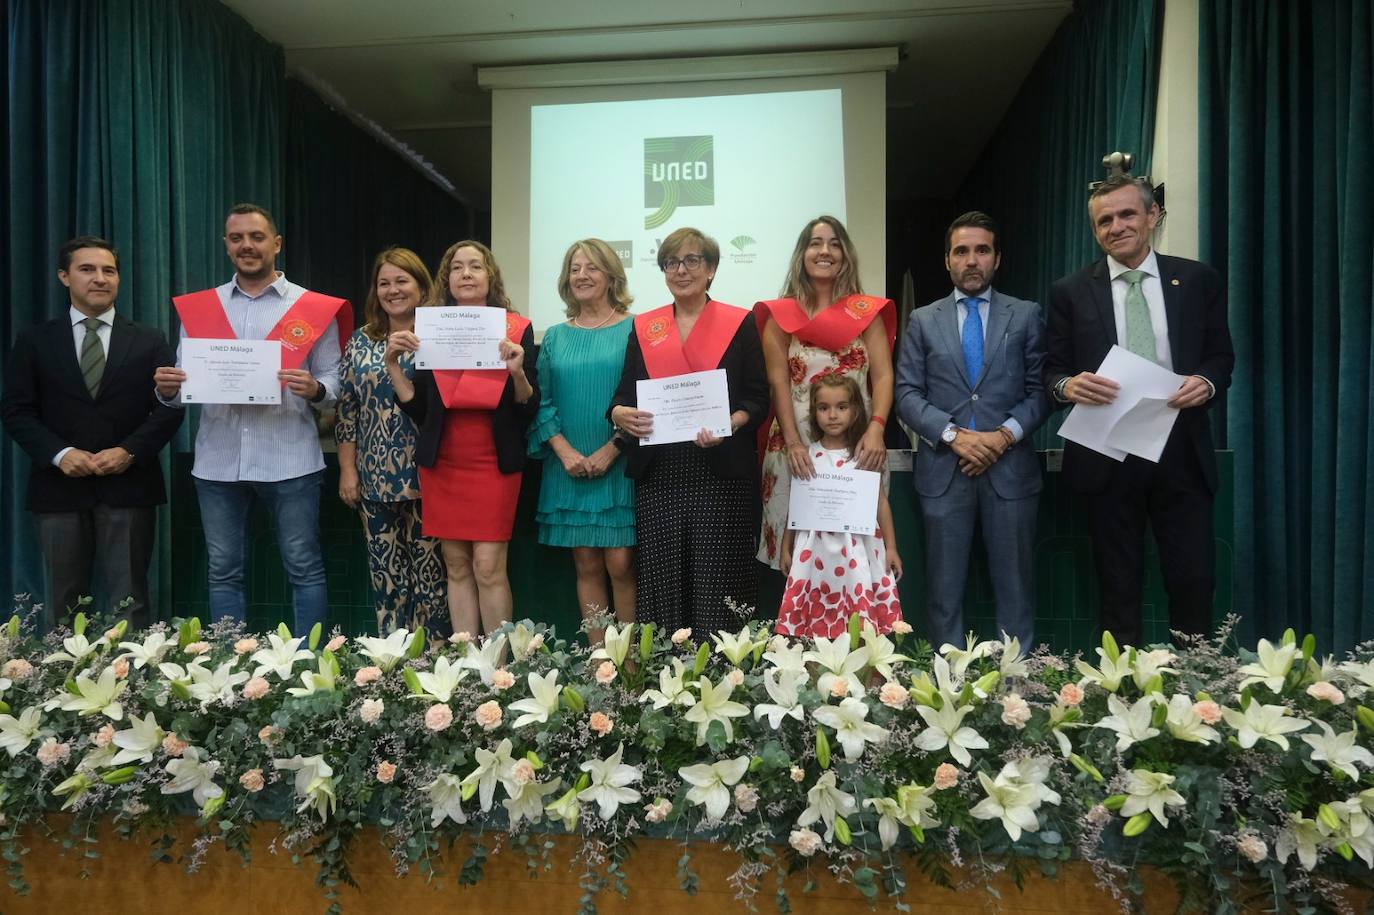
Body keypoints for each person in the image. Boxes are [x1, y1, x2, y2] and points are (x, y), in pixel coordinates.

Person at [1045, 175, 1234, 647]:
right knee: (1117, 588)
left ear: (1152, 216)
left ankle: (1198, 691)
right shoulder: (1069, 292)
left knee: (1193, 580)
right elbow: (1050, 371)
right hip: (1107, 454)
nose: (1116, 226)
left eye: (1127, 214)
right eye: (1104, 220)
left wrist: (1206, 382)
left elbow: (1221, 357)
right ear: (1095, 231)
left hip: (1181, 450)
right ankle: (1125, 696)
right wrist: (1069, 386)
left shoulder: (1196, 280)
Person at [153, 203, 351, 633]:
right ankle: (230, 666)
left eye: (257, 237)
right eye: (237, 238)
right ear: (226, 245)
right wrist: (168, 390)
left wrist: (316, 390)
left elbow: (333, 382)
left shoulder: (310, 307)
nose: (247, 245)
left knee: (304, 567)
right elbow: (187, 382)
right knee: (223, 570)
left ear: (276, 244)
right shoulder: (201, 308)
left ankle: (309, 665)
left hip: (291, 458)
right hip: (218, 459)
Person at [1, 236, 183, 630]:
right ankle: (60, 686)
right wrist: (61, 454)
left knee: (129, 603)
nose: (100, 278)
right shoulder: (34, 340)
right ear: (64, 276)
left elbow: (169, 410)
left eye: (109, 270)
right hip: (58, 488)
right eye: (87, 269)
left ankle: (131, 688)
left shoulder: (150, 339)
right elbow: (16, 410)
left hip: (129, 485)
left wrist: (129, 452)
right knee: (62, 606)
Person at [894, 211, 1049, 648]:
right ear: (947, 260)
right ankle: (948, 697)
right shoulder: (924, 320)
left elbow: (1041, 392)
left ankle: (1017, 697)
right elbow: (906, 394)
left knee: (1016, 594)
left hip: (1011, 472)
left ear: (997, 258)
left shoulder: (1025, 315)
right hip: (944, 473)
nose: (972, 260)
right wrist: (954, 436)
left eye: (982, 250)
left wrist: (1002, 437)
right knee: (943, 596)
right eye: (961, 251)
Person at [609, 227, 769, 631]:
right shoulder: (645, 327)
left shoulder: (740, 322)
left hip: (720, 471)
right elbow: (622, 396)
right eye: (671, 262)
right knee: (665, 579)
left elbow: (758, 397)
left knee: (719, 580)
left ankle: (725, 680)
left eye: (692, 261)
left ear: (711, 269)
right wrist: (619, 415)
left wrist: (732, 423)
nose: (681, 270)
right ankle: (669, 681)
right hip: (660, 473)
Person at [387, 240, 537, 637]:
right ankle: (468, 668)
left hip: (494, 462)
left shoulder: (516, 329)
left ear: (490, 277)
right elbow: (419, 409)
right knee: (455, 565)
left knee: (488, 567)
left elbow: (527, 408)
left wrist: (517, 371)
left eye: (475, 266)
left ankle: (502, 669)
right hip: (444, 462)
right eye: (457, 267)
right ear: (447, 279)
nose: (466, 274)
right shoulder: (431, 329)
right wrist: (392, 365)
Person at [755, 216, 896, 570]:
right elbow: (778, 383)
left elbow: (882, 377)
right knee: (798, 556)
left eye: (835, 243)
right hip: (795, 445)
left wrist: (877, 427)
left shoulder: (866, 313)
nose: (825, 251)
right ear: (802, 253)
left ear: (845, 254)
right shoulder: (781, 315)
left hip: (858, 444)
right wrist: (794, 442)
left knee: (855, 553)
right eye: (816, 243)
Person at [528, 239, 636, 645]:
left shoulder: (636, 328)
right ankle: (600, 666)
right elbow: (543, 401)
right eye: (575, 268)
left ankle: (631, 666)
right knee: (587, 565)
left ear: (611, 276)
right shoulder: (554, 336)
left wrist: (612, 449)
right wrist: (564, 450)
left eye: (592, 267)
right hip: (568, 465)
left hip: (620, 463)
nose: (582, 275)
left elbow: (644, 397)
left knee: (622, 564)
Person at [336, 247, 447, 635]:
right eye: (384, 283)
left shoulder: (440, 334)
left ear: (421, 286)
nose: (393, 290)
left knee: (431, 580)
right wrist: (347, 470)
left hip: (430, 474)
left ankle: (435, 663)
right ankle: (391, 666)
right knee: (386, 578)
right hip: (374, 478)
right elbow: (347, 411)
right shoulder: (359, 341)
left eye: (402, 281)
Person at [776, 375, 902, 638]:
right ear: (814, 412)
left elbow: (880, 503)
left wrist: (891, 548)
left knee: (860, 620)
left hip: (858, 549)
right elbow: (797, 506)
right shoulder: (805, 455)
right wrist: (786, 546)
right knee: (813, 620)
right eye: (824, 408)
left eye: (842, 407)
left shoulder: (865, 453)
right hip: (814, 550)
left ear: (855, 410)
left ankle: (864, 676)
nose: (832, 415)